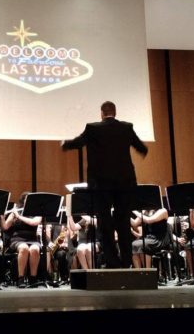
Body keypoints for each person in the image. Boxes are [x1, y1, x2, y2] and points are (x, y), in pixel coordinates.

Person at [62, 101, 148, 268]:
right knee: (123, 222)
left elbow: (78, 142)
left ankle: (112, 262)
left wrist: (65, 144)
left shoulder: (93, 128)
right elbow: (141, 148)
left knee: (105, 222)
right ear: (115, 113)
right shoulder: (126, 127)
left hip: (101, 184)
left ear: (102, 113)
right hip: (124, 183)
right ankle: (126, 262)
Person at [0, 192, 42, 288]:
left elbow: (34, 222)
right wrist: (2, 217)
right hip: (17, 239)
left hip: (32, 238)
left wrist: (18, 217)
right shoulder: (16, 210)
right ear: (23, 200)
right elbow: (6, 227)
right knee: (24, 248)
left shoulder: (37, 211)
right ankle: (21, 278)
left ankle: (33, 278)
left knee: (35, 249)